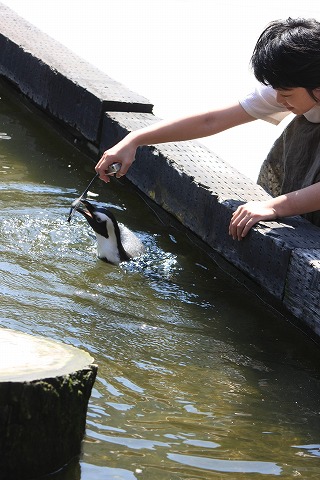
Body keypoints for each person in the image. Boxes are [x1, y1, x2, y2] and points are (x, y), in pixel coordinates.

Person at [95, 18, 320, 241]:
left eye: (287, 94)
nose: (279, 100)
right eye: (277, 90)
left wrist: (274, 207)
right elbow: (210, 121)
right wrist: (135, 139)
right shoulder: (290, 87)